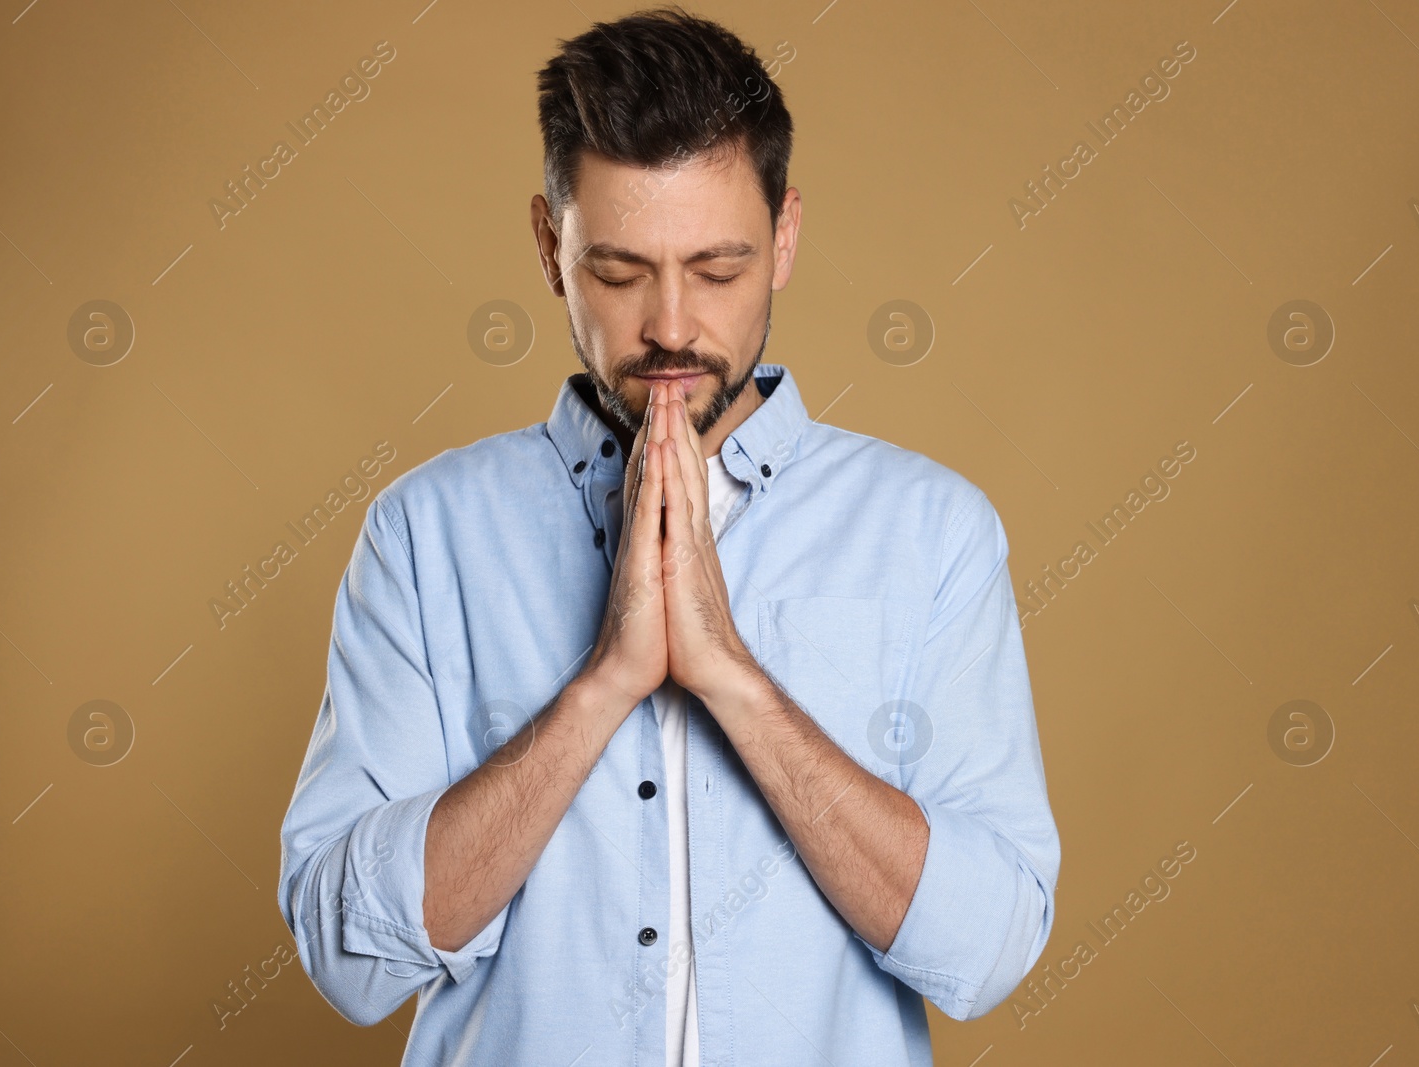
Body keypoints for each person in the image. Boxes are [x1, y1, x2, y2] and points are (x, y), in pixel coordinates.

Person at [277, 8, 1059, 1064]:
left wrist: (730, 674)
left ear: (784, 239)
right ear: (550, 248)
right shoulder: (425, 532)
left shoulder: (931, 531)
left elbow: (988, 947)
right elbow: (349, 962)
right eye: (619, 270)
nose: (672, 326)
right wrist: (604, 680)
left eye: (718, 268)